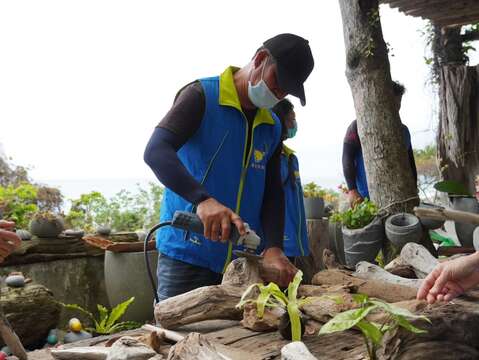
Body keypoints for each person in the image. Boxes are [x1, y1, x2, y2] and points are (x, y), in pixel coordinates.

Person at [144, 33, 315, 301]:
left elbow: (273, 191)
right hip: (188, 254)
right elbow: (156, 151)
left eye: (286, 91)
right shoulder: (202, 96)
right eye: (276, 82)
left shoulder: (272, 125)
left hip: (240, 261)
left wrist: (273, 248)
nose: (278, 94)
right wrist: (203, 200)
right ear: (259, 60)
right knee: (174, 335)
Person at [342, 81, 417, 206]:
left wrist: (414, 188)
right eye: (393, 102)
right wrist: (352, 190)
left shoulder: (404, 130)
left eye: (399, 103)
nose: (397, 106)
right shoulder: (358, 126)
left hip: (401, 196)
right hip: (366, 197)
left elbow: (410, 162)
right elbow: (347, 158)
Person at [272, 99, 309, 260]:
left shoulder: (289, 156)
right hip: (278, 241)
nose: (294, 124)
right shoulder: (273, 154)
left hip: (293, 238)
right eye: (290, 119)